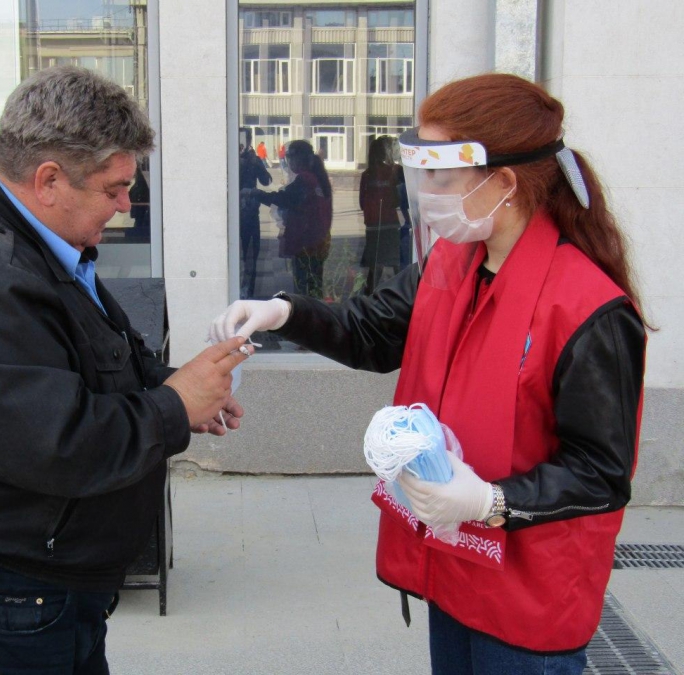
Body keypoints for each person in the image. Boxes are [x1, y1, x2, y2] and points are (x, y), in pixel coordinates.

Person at [211, 73, 647, 675]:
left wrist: (492, 501)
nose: (425, 192)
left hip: (528, 599)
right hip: (455, 565)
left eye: (441, 176)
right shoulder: (451, 261)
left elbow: (600, 474)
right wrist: (285, 312)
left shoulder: (587, 310)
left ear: (504, 182)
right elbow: (374, 330)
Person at [0, 66, 252, 675]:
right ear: (49, 180)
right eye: (114, 188)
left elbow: (88, 354)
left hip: (18, 584)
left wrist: (174, 384)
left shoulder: (37, 243)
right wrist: (173, 406)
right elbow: (51, 445)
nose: (126, 205)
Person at [242, 140, 332, 299]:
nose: (288, 161)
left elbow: (284, 198)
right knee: (314, 284)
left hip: (306, 242)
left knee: (304, 287)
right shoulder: (316, 177)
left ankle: (308, 318)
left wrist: (255, 193)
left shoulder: (305, 180)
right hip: (317, 241)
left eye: (289, 156)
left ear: (299, 158)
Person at [359, 135, 402, 292]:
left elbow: (362, 203)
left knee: (375, 263)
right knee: (395, 261)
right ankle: (402, 290)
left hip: (372, 224)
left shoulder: (366, 175)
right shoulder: (394, 172)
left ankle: (370, 292)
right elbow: (398, 199)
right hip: (390, 223)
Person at [239, 128, 272, 298]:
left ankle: (248, 292)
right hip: (236, 215)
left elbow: (266, 180)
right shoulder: (230, 158)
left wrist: (256, 162)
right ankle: (241, 290)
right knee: (242, 254)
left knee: (251, 254)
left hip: (250, 213)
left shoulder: (253, 160)